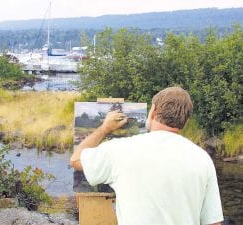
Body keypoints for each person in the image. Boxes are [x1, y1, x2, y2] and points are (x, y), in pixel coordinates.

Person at [70, 87, 224, 225]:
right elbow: (213, 222)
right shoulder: (202, 159)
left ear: (153, 111)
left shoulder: (121, 149)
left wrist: (104, 129)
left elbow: (76, 159)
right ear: (186, 120)